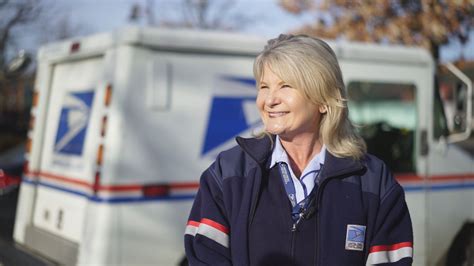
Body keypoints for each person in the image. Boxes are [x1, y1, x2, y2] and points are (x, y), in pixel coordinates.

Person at [184, 34, 413, 265]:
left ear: (324, 100)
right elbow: (205, 256)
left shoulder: (373, 181)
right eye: (264, 86)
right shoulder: (228, 173)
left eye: (285, 85)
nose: (270, 99)